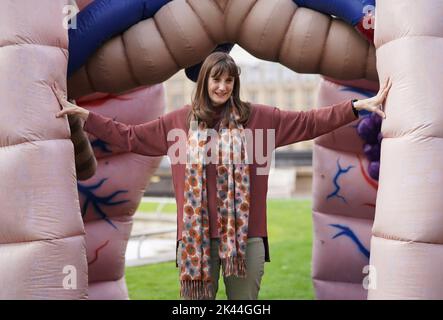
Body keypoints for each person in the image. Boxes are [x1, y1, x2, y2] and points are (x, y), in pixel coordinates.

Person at [53, 52, 391, 300]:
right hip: (195, 244)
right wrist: (86, 116)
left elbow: (310, 120)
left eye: (229, 80)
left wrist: (355, 108)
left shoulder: (261, 119)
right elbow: (129, 136)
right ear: (205, 82)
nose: (223, 86)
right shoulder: (177, 124)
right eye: (217, 79)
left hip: (247, 242)